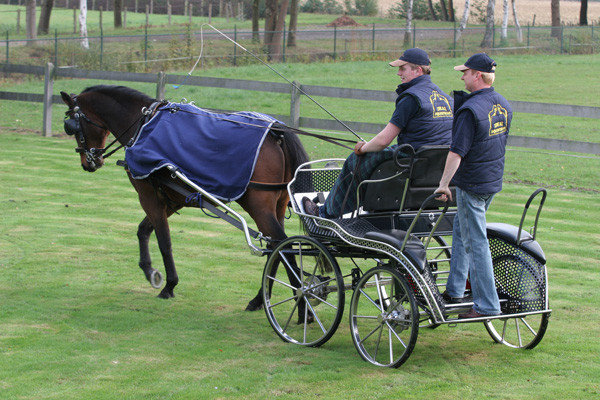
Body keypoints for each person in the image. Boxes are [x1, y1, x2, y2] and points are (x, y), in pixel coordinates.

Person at [303, 48, 453, 218]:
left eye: (403, 68)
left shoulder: (411, 98)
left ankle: (326, 213)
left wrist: (363, 148)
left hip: (411, 159)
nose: (398, 73)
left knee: (354, 161)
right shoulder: (446, 98)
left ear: (418, 70)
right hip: (435, 164)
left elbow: (384, 140)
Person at [435, 53, 513, 319]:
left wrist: (444, 184)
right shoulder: (503, 105)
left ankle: (487, 306)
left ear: (477, 75)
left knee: (476, 244)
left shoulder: (470, 110)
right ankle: (455, 289)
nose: (462, 77)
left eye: (465, 72)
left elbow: (456, 153)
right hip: (492, 183)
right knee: (461, 228)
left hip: (471, 185)